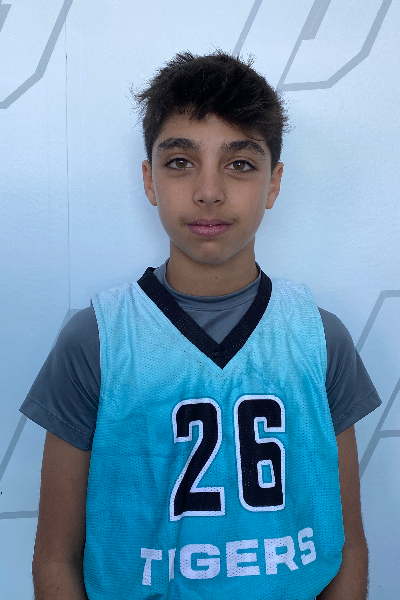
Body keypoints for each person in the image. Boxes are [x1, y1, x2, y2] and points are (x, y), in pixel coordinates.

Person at [21, 50, 382, 600]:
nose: (209, 191)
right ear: (149, 179)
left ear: (274, 183)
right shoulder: (96, 340)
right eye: (180, 161)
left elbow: (348, 543)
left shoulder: (320, 338)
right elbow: (56, 557)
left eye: (240, 164)